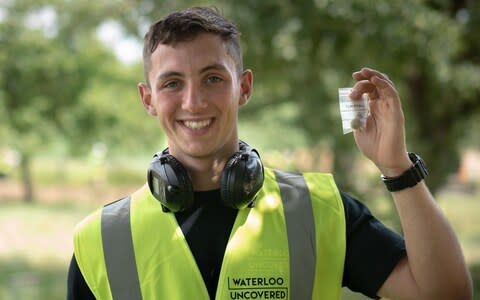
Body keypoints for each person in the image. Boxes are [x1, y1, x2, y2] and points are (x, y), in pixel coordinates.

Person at [67, 6, 473, 300]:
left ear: (243, 87)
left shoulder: (317, 211)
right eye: (172, 83)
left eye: (212, 78)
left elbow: (445, 293)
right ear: (148, 98)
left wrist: (396, 167)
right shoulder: (102, 239)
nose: (193, 101)